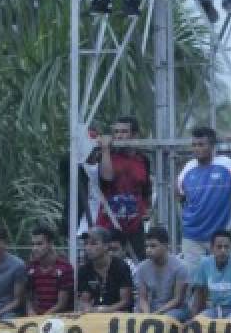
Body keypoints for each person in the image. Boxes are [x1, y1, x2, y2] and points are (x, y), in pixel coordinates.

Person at [175, 126, 231, 270]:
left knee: (220, 278)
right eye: (194, 145)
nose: (197, 149)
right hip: (192, 236)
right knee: (194, 281)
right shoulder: (188, 168)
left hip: (219, 236)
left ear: (212, 146)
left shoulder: (227, 164)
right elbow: (179, 194)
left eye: (201, 145)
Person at [96, 115, 153, 261]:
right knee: (108, 260)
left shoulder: (142, 159)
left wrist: (146, 208)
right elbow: (106, 178)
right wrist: (105, 150)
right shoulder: (108, 156)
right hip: (110, 220)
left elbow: (146, 187)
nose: (119, 136)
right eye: (116, 132)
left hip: (134, 222)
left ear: (134, 135)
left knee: (137, 261)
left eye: (123, 132)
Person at [76, 227, 134, 313]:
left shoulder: (121, 267)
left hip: (119, 315)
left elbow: (125, 301)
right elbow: (84, 300)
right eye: (86, 244)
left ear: (106, 246)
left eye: (93, 244)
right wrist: (88, 309)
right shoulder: (83, 270)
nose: (88, 248)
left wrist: (105, 310)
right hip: (94, 315)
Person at [136, 227, 189, 320]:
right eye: (146, 246)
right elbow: (142, 298)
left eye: (153, 246)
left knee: (166, 318)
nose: (148, 250)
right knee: (135, 316)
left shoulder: (180, 267)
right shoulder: (142, 267)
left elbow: (178, 299)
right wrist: (147, 314)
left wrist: (157, 314)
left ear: (165, 246)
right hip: (152, 308)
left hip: (175, 309)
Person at [25, 225, 74, 316]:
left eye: (39, 244)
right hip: (37, 316)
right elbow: (28, 297)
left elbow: (61, 304)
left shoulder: (64, 267)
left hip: (59, 317)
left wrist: (42, 318)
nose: (34, 248)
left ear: (50, 243)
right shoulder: (31, 267)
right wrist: (30, 311)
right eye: (33, 244)